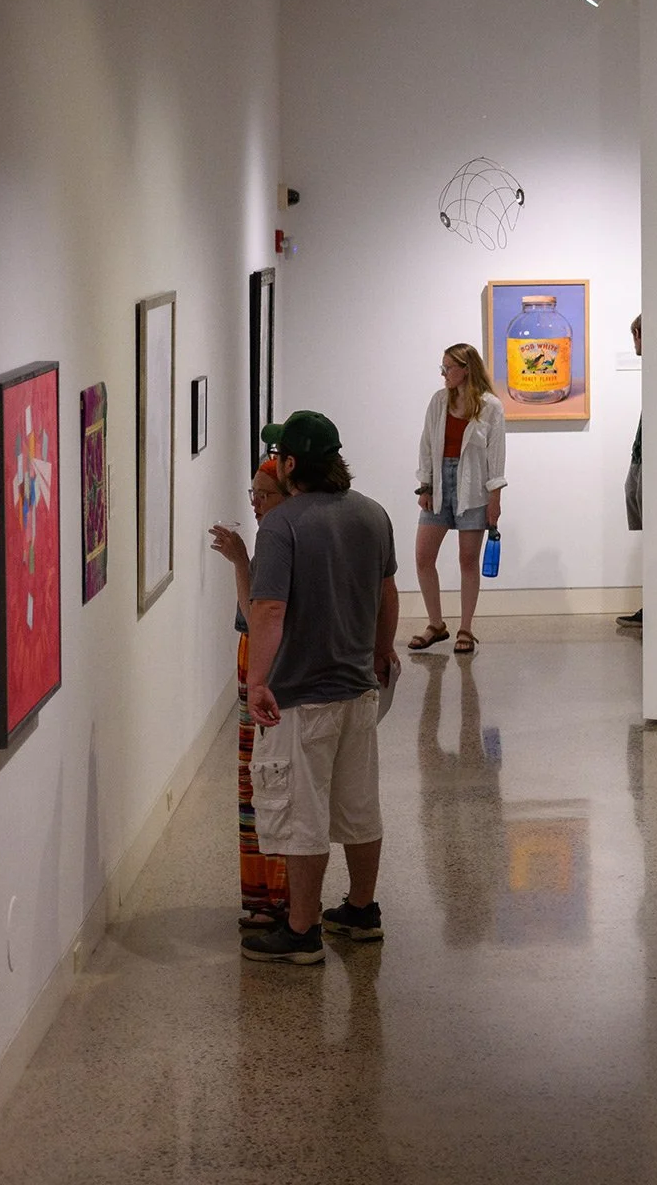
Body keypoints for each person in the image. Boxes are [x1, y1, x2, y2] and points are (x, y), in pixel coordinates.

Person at [241, 410, 401, 963]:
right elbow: (387, 594)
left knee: (301, 814)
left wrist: (258, 681)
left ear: (288, 465)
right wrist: (381, 653)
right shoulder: (372, 514)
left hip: (301, 697)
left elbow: (268, 609)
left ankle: (302, 929)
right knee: (359, 806)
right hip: (359, 692)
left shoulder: (282, 527)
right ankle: (361, 910)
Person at [209, 459, 291, 932]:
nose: (255, 503)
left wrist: (241, 559)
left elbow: (260, 613)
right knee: (258, 784)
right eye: (252, 494)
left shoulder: (281, 539)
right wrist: (241, 559)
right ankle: (268, 894)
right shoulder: (273, 537)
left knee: (270, 782)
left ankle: (277, 897)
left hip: (267, 672)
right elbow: (252, 612)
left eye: (264, 494)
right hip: (256, 666)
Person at [411, 343, 506, 655]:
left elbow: (496, 456)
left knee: (468, 560)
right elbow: (426, 445)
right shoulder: (439, 402)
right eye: (443, 368)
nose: (444, 374)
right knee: (424, 556)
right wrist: (425, 486)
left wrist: (495, 499)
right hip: (439, 485)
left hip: (474, 488)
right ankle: (435, 623)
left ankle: (466, 628)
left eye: (448, 368)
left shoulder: (490, 406)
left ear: (466, 369)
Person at [618, 314, 644, 630]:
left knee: (652, 533)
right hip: (641, 457)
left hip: (649, 458)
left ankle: (656, 604)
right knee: (646, 532)